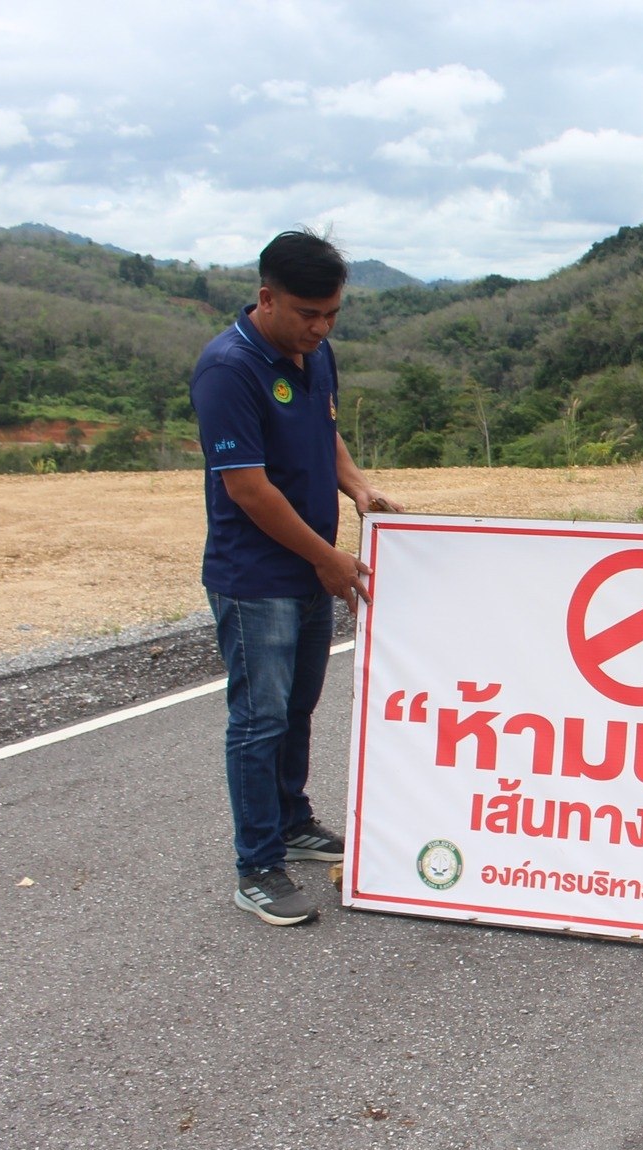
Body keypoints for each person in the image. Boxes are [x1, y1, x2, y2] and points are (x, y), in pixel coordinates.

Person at [191, 229, 399, 926]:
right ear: (266, 298)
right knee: (258, 719)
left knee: (298, 705)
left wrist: (358, 490)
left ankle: (293, 819)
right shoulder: (228, 368)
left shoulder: (315, 354)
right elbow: (249, 489)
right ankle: (257, 866)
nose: (321, 327)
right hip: (257, 578)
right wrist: (325, 557)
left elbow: (325, 430)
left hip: (312, 564)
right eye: (308, 313)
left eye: (332, 314)